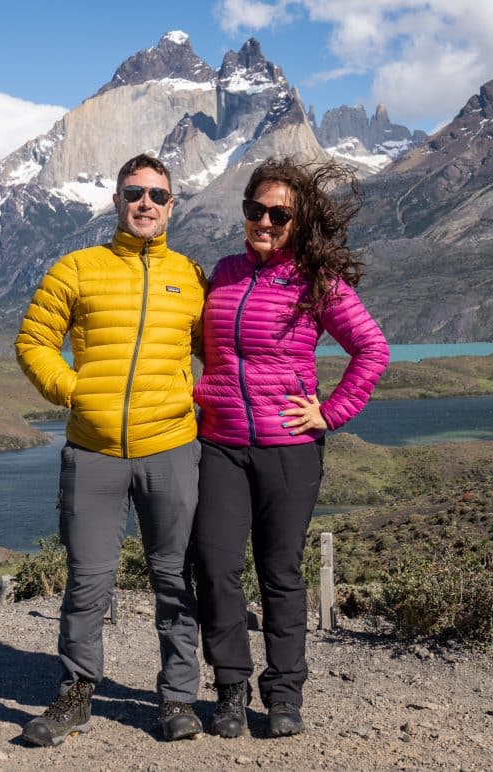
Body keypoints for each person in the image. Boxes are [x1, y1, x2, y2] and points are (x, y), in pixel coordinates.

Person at [192, 157, 389, 739]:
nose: (267, 221)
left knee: (280, 572)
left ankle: (284, 694)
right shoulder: (222, 274)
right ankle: (230, 689)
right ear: (245, 211)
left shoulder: (315, 280)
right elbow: (199, 346)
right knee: (217, 565)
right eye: (257, 209)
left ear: (298, 222)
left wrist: (328, 412)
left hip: (288, 448)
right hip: (221, 444)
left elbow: (372, 350)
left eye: (281, 214)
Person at [15, 153, 208, 746]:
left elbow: (220, 352)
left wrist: (195, 397)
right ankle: (76, 694)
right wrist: (76, 392)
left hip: (171, 447)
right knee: (88, 580)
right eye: (133, 193)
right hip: (93, 452)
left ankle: (177, 698)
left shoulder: (190, 277)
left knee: (175, 578)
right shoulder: (76, 268)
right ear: (116, 202)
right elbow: (33, 341)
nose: (144, 203)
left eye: (156, 194)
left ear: (171, 205)